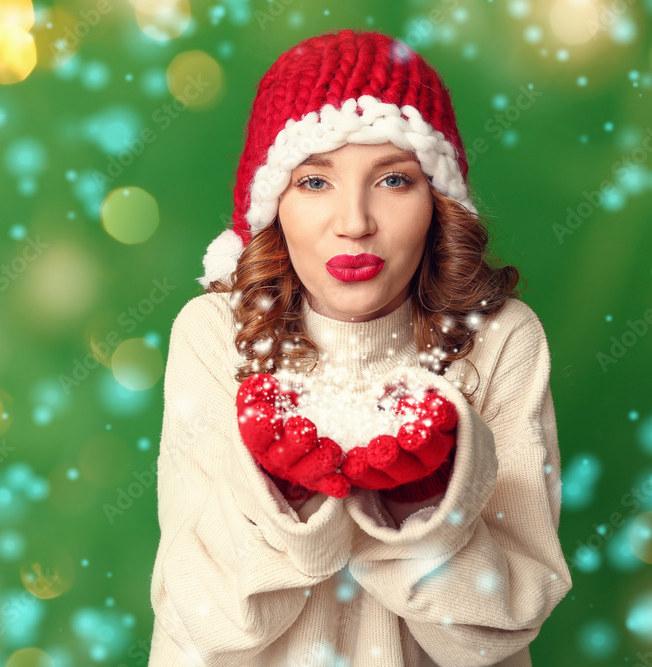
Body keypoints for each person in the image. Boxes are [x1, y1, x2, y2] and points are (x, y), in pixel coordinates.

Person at [148, 28, 572, 666]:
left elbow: (500, 628)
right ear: (272, 206)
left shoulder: (500, 339)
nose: (354, 222)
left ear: (439, 201)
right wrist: (282, 500)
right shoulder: (216, 334)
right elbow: (203, 616)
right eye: (315, 183)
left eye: (394, 180)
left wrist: (423, 507)